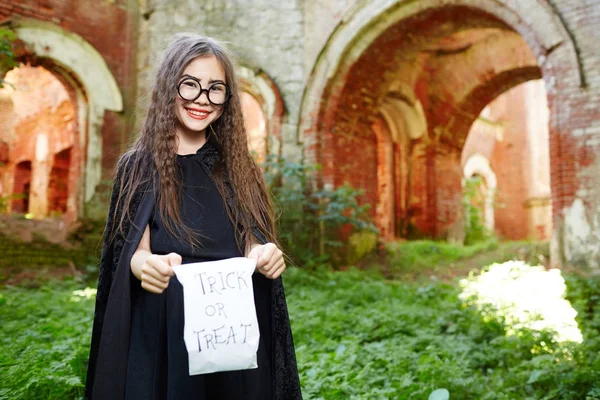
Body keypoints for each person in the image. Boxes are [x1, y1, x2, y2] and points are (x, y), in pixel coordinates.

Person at [85, 33, 302, 400]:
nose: (202, 99)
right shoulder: (137, 167)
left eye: (215, 89)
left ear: (227, 100)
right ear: (170, 86)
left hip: (233, 336)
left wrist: (264, 253)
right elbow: (132, 252)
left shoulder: (236, 166)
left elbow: (253, 238)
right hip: (166, 332)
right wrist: (143, 266)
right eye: (190, 85)